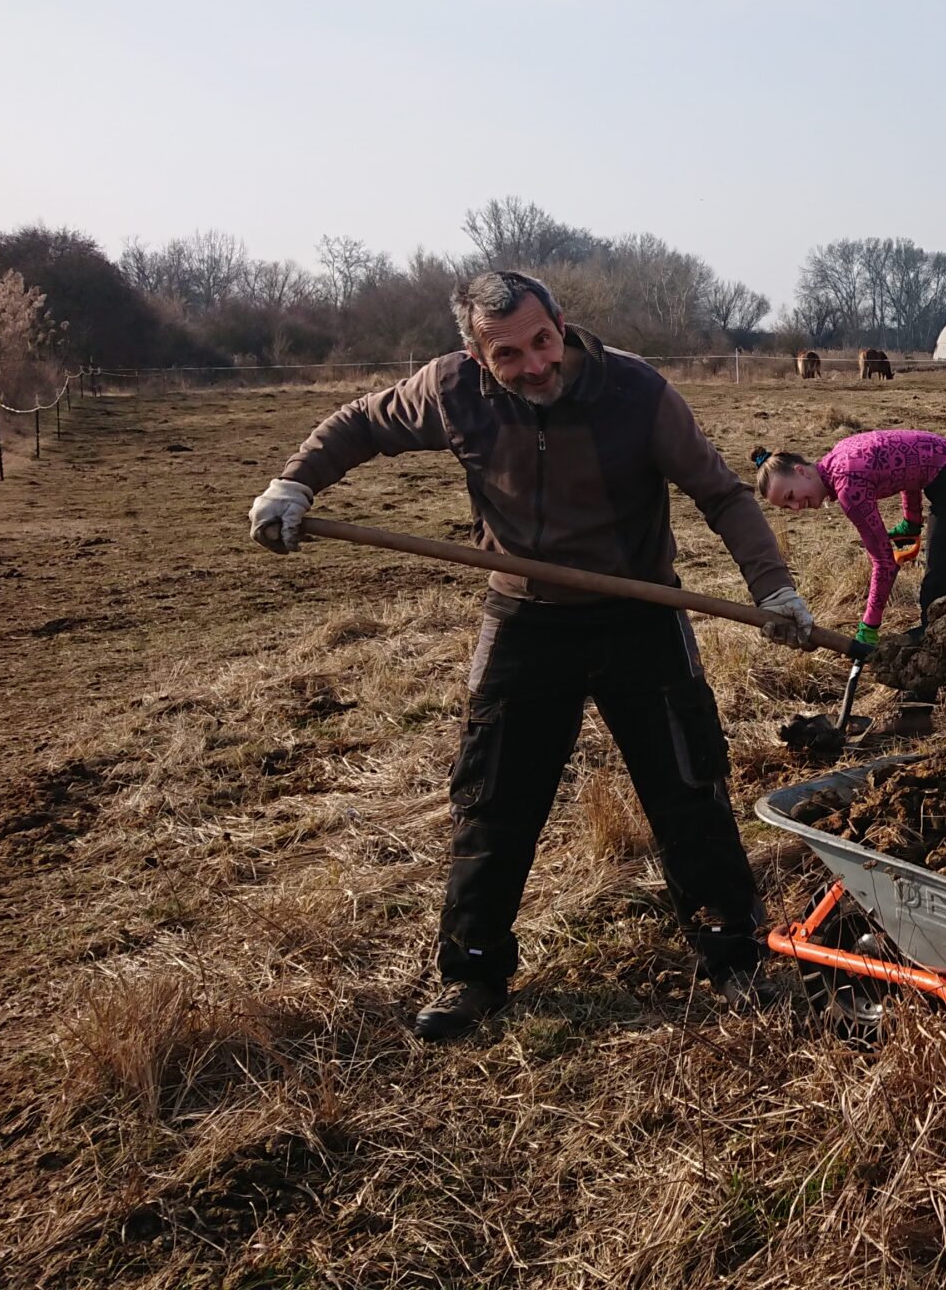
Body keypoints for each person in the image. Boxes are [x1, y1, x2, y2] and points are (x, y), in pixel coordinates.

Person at [244, 270, 818, 1042]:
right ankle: (473, 971)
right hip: (524, 617)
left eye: (542, 341)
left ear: (562, 324)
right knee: (493, 797)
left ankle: (734, 956)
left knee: (688, 785)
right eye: (508, 354)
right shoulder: (451, 391)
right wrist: (294, 484)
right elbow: (359, 424)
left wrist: (773, 588)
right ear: (476, 355)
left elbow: (721, 494)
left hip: (641, 612)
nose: (534, 365)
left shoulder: (636, 393)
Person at [753, 429, 946, 655]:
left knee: (937, 597)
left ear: (801, 471)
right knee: (939, 594)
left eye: (791, 496)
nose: (796, 507)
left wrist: (869, 626)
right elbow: (908, 464)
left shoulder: (848, 487)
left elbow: (885, 563)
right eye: (787, 507)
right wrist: (911, 520)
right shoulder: (839, 454)